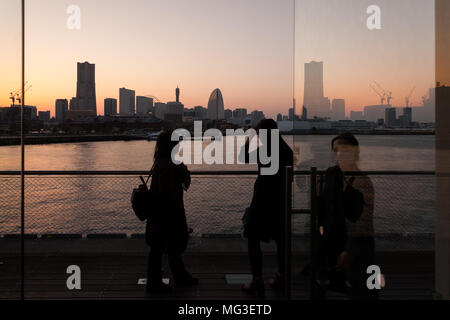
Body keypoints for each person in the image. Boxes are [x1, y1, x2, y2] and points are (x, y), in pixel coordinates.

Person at [316, 132, 377, 300]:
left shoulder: (362, 182)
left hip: (354, 245)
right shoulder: (330, 175)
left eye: (345, 151)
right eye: (336, 151)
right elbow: (322, 205)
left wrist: (349, 249)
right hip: (332, 239)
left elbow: (364, 221)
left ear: (356, 154)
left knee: (361, 290)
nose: (339, 155)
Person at [241, 119, 294, 298]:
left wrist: (250, 137)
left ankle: (257, 280)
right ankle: (281, 275)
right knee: (281, 239)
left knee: (252, 237)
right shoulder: (286, 149)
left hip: (263, 199)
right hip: (280, 199)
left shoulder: (265, 148)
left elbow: (243, 156)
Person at [145, 130, 198, 292]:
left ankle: (165, 279)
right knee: (169, 245)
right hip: (170, 211)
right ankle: (173, 278)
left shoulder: (159, 161)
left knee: (158, 247)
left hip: (158, 210)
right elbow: (184, 184)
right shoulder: (172, 164)